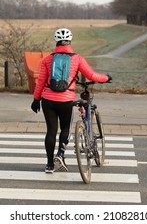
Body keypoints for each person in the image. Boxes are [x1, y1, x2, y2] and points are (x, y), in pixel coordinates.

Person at [31, 28, 112, 173]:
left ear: (56, 41)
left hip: (48, 100)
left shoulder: (48, 59)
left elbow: (41, 81)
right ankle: (60, 155)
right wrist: (106, 78)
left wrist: (36, 99)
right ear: (70, 41)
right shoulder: (77, 58)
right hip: (66, 100)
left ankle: (49, 165)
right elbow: (92, 75)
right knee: (66, 128)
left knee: (51, 131)